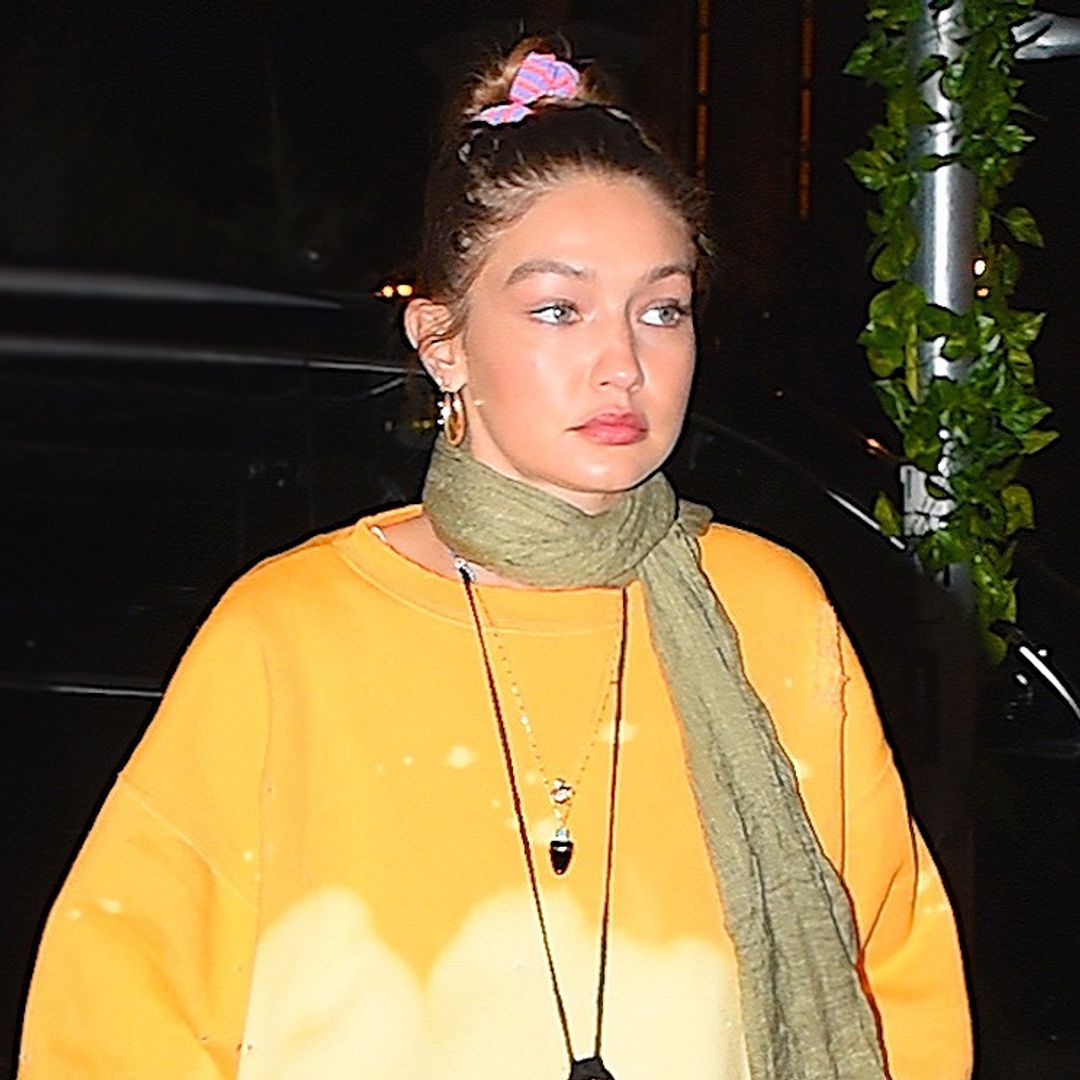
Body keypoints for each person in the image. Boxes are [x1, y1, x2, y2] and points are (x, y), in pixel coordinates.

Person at [17, 39, 971, 1080]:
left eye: (661, 309)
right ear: (443, 342)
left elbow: (893, 978)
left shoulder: (768, 610)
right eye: (558, 308)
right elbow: (116, 1014)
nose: (624, 363)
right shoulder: (291, 631)